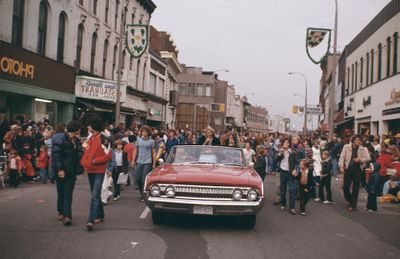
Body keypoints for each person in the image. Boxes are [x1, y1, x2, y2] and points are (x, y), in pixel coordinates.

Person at [80, 119, 112, 231]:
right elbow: (86, 152)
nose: (88, 128)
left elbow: (108, 156)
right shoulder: (90, 138)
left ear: (93, 126)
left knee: (94, 194)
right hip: (90, 170)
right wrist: (84, 162)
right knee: (95, 194)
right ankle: (100, 215)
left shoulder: (104, 139)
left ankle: (91, 220)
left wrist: (94, 161)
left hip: (99, 170)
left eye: (89, 126)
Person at [52, 120, 83, 226]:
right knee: (61, 192)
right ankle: (60, 211)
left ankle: (67, 216)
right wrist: (60, 169)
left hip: (71, 171)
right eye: (79, 128)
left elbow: (78, 154)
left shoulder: (77, 140)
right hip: (62, 170)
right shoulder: (61, 139)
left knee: (68, 193)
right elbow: (56, 155)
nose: (80, 130)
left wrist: (83, 150)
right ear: (75, 129)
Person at [339, 134, 371, 211]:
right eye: (357, 140)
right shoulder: (346, 147)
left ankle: (352, 205)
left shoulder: (363, 149)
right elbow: (342, 157)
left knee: (356, 187)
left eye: (359, 140)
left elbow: (368, 158)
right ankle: (349, 200)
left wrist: (360, 159)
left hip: (358, 169)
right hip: (348, 168)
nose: (358, 142)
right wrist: (341, 167)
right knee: (345, 187)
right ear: (353, 140)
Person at [132, 126, 156, 202]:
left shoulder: (151, 141)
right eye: (143, 132)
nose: (144, 133)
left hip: (147, 162)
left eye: (145, 132)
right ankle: (141, 192)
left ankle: (143, 195)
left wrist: (154, 163)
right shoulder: (138, 140)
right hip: (139, 161)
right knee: (137, 178)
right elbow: (136, 150)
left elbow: (154, 152)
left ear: (148, 133)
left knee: (143, 179)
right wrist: (133, 160)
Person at [276, 138, 297, 215]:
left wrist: (295, 169)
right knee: (282, 190)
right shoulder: (280, 152)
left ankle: (292, 208)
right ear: (282, 144)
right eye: (284, 142)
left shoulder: (293, 152)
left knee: (292, 190)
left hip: (290, 173)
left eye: (287, 143)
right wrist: (279, 153)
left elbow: (297, 162)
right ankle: (283, 204)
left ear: (289, 144)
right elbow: (275, 160)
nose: (286, 144)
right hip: (282, 172)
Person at [366, 144, 381, 212]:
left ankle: (373, 208)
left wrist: (373, 188)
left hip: (373, 188)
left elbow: (376, 182)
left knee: (372, 198)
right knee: (370, 197)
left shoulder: (376, 174)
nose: (370, 168)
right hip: (371, 187)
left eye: (371, 167)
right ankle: (368, 207)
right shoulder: (374, 173)